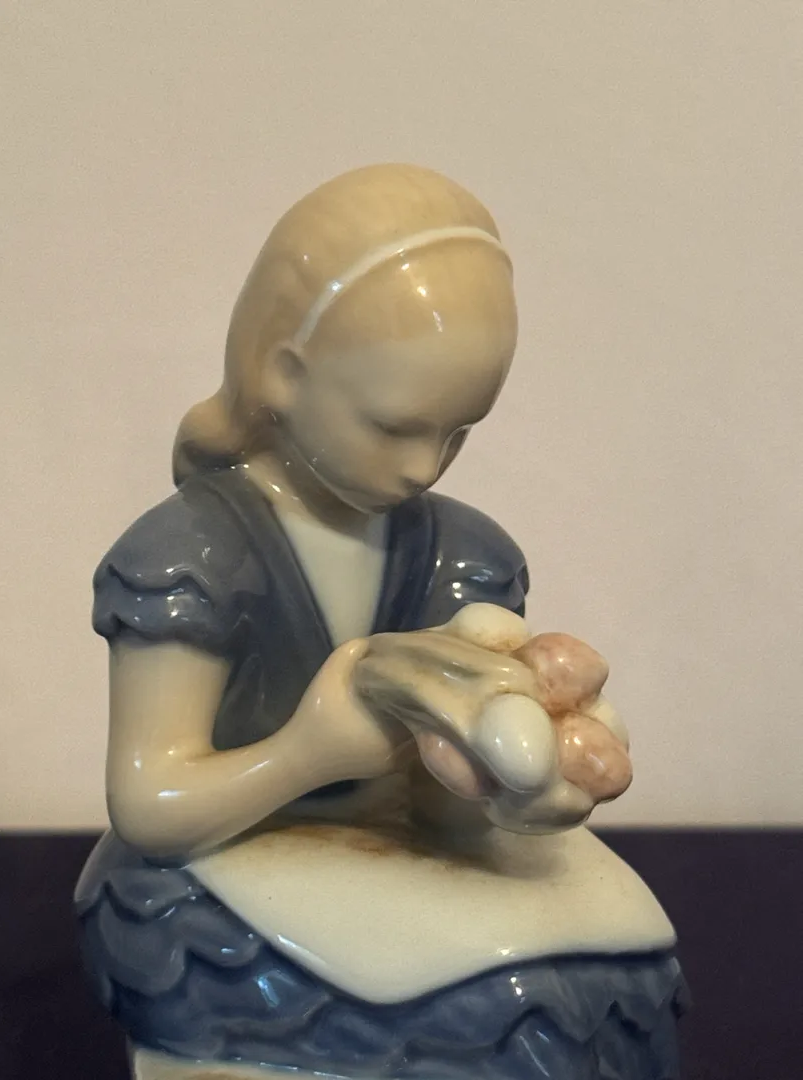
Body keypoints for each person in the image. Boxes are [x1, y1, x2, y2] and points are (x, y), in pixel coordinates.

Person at [76, 164, 686, 1080]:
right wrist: (310, 752)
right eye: (395, 427)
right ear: (284, 374)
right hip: (207, 876)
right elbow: (149, 806)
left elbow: (442, 802)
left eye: (457, 431)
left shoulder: (463, 554)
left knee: (620, 985)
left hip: (400, 854)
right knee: (520, 1022)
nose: (424, 467)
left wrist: (505, 783)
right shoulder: (193, 556)